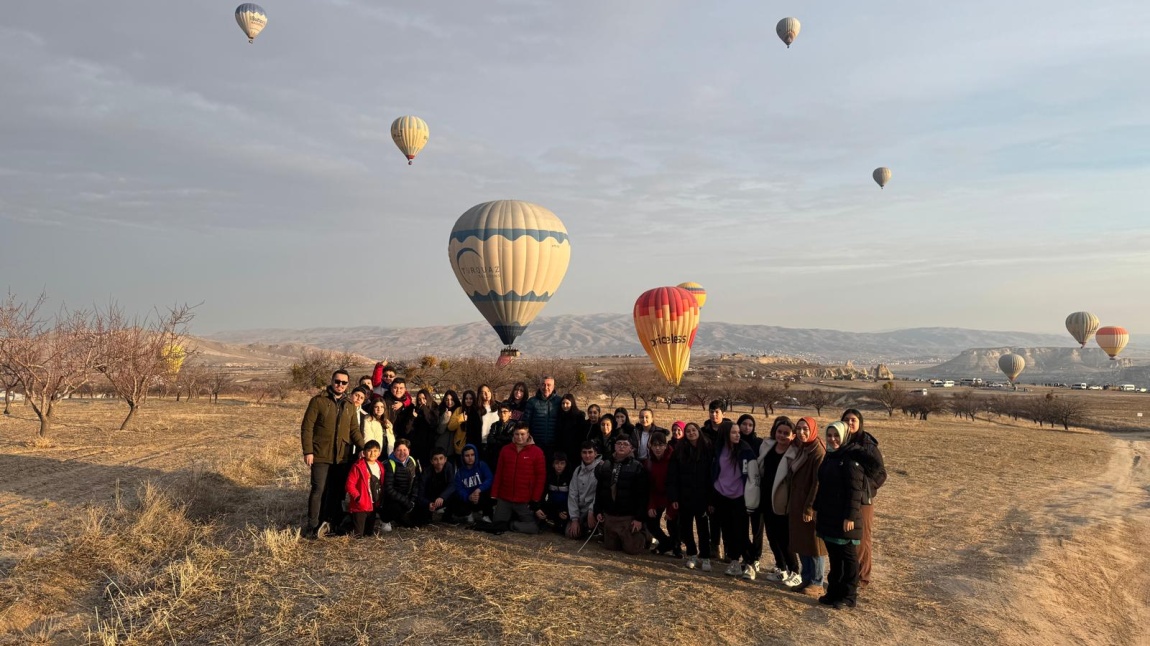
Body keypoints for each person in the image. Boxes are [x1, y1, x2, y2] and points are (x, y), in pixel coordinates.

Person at [300, 369, 365, 539]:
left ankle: (329, 522)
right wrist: (308, 451)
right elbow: (307, 427)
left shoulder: (349, 405)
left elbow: (354, 430)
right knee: (318, 489)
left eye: (344, 383)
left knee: (335, 491)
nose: (340, 385)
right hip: (320, 453)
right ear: (332, 381)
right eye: (337, 381)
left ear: (348, 385)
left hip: (341, 456)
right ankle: (312, 526)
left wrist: (363, 447)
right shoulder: (318, 401)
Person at [814, 422, 864, 609]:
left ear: (844, 436)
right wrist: (816, 509)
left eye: (837, 435)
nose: (832, 439)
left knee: (848, 557)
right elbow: (823, 486)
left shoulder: (850, 459)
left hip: (845, 518)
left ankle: (848, 596)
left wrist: (850, 517)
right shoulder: (830, 456)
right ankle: (833, 592)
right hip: (829, 515)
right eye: (829, 435)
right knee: (834, 557)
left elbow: (855, 492)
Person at [746, 416, 800, 585]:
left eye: (786, 433)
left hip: (782, 501)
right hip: (765, 498)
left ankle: (795, 571)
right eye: (779, 432)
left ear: (792, 436)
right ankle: (782, 568)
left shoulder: (794, 453)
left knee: (784, 538)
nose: (782, 436)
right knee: (771, 536)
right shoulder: (767, 446)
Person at [841, 408, 887, 589]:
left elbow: (881, 473)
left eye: (853, 420)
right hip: (844, 497)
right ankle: (849, 574)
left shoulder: (867, 445)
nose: (850, 423)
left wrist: (865, 487)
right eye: (847, 420)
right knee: (846, 537)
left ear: (860, 423)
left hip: (862, 500)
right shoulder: (840, 441)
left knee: (862, 537)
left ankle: (862, 577)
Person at [594, 435, 652, 555]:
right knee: (610, 547)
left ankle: (645, 534)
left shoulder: (637, 467)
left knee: (632, 549)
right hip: (611, 515)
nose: (621, 446)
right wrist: (598, 510)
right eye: (619, 443)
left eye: (625, 444)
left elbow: (643, 495)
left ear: (631, 448)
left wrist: (639, 519)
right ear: (614, 446)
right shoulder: (605, 464)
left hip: (628, 517)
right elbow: (600, 490)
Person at [711, 423, 756, 578]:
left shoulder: (745, 450)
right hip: (721, 494)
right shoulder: (718, 449)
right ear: (725, 434)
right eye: (734, 433)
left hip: (740, 496)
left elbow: (753, 475)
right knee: (728, 531)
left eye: (738, 432)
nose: (738, 435)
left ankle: (750, 562)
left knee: (741, 531)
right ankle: (735, 562)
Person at [667, 422, 713, 571]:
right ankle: (692, 554)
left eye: (694, 430)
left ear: (699, 431)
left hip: (703, 496)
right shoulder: (679, 450)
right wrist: (674, 498)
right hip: (684, 496)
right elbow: (672, 476)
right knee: (686, 528)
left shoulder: (707, 448)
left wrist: (711, 499)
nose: (691, 433)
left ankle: (705, 557)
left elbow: (712, 475)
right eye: (688, 431)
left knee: (703, 529)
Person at [789, 416, 828, 593]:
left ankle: (817, 582)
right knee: (801, 542)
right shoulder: (801, 448)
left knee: (814, 545)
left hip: (810, 505)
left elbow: (818, 483)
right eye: (799, 428)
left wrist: (810, 507)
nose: (801, 432)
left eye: (805, 429)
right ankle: (806, 578)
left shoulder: (817, 451)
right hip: (797, 502)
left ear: (812, 430)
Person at [489, 423, 547, 534]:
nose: (519, 437)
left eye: (522, 434)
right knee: (497, 525)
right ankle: (505, 522)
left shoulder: (537, 452)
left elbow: (541, 477)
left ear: (528, 434)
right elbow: (499, 473)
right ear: (513, 434)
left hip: (524, 499)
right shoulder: (505, 450)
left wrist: (535, 499)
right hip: (505, 497)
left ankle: (511, 524)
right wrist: (494, 494)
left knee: (533, 528)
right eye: (516, 434)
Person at [736, 414, 765, 575]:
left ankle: (756, 557)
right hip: (740, 491)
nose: (747, 427)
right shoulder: (736, 443)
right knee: (742, 527)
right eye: (744, 424)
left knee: (757, 528)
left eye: (750, 425)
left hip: (756, 490)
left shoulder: (759, 444)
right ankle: (747, 556)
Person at [644, 431, 679, 557]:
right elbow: (651, 486)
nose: (657, 448)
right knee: (651, 522)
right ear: (650, 446)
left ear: (665, 445)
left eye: (660, 445)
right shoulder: (649, 462)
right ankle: (667, 543)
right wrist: (651, 505)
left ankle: (677, 547)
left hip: (672, 497)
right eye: (654, 445)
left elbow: (676, 484)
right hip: (657, 496)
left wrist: (671, 510)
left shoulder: (673, 459)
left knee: (672, 524)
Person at [382, 439, 427, 529]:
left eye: (404, 450)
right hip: (394, 500)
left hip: (408, 498)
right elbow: (389, 489)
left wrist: (413, 500)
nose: (402, 453)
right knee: (397, 510)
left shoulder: (412, 461)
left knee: (422, 519)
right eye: (398, 450)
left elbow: (416, 481)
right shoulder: (389, 464)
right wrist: (406, 502)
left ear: (409, 451)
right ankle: (385, 519)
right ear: (394, 451)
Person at [345, 440, 384, 538]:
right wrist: (358, 498)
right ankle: (340, 527)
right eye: (369, 451)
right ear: (364, 452)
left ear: (379, 453)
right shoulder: (358, 466)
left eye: (375, 451)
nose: (372, 453)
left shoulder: (380, 466)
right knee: (358, 535)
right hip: (361, 505)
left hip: (373, 503)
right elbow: (349, 485)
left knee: (369, 533)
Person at [566, 441, 602, 539]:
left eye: (590, 452)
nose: (587, 455)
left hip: (594, 510)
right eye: (584, 452)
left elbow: (600, 494)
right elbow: (573, 494)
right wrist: (574, 519)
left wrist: (591, 511)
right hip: (581, 511)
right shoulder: (577, 470)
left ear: (595, 453)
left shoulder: (601, 469)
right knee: (571, 533)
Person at [450, 444, 494, 523]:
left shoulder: (481, 465)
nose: (470, 458)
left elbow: (489, 478)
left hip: (481, 496)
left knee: (490, 490)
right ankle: (468, 514)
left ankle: (486, 515)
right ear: (463, 457)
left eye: (472, 455)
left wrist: (479, 490)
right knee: (454, 498)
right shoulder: (459, 472)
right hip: (468, 500)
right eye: (467, 455)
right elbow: (459, 489)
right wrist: (468, 497)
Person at [523, 377, 562, 455]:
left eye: (549, 385)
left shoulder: (559, 401)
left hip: (555, 445)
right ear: (540, 386)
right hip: (536, 444)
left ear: (553, 386)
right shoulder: (532, 401)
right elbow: (526, 423)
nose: (546, 388)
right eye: (543, 385)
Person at [536, 452, 571, 532]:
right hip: (551, 505)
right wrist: (538, 507)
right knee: (540, 516)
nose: (559, 466)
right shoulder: (549, 476)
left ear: (566, 465)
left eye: (562, 463)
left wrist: (566, 511)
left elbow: (572, 496)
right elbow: (543, 493)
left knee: (561, 529)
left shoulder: (569, 477)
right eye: (557, 463)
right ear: (553, 464)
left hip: (564, 507)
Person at [421, 448, 457, 523]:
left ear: (445, 459)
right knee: (423, 519)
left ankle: (447, 516)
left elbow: (452, 484)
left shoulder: (449, 467)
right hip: (431, 497)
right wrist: (428, 503)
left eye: (441, 458)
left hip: (443, 496)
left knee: (455, 494)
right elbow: (421, 492)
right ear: (431, 461)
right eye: (435, 459)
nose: (439, 462)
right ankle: (429, 515)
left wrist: (442, 496)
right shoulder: (427, 472)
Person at [484, 404, 516, 470]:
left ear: (510, 413)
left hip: (509, 455)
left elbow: (511, 439)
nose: (502, 414)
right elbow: (490, 439)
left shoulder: (514, 426)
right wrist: (501, 440)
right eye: (500, 412)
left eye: (505, 412)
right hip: (495, 454)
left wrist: (498, 437)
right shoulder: (495, 425)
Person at [557, 394, 587, 463]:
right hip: (562, 450)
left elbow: (582, 434)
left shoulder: (579, 416)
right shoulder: (560, 416)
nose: (565, 406)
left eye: (567, 403)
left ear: (572, 403)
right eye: (563, 403)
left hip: (575, 451)